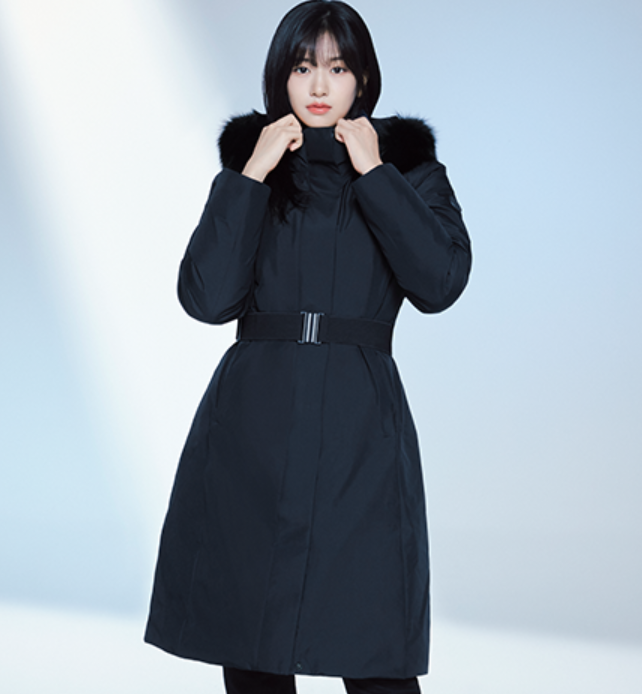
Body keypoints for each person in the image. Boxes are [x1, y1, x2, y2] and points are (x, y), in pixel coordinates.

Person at [144, 1, 472, 692]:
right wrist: (250, 176)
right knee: (252, 647)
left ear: (363, 81)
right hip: (253, 432)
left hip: (359, 432)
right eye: (302, 68)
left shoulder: (410, 170)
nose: (319, 86)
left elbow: (440, 282)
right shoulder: (254, 172)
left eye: (337, 68)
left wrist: (376, 174)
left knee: (373, 647)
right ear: (279, 78)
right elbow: (206, 298)